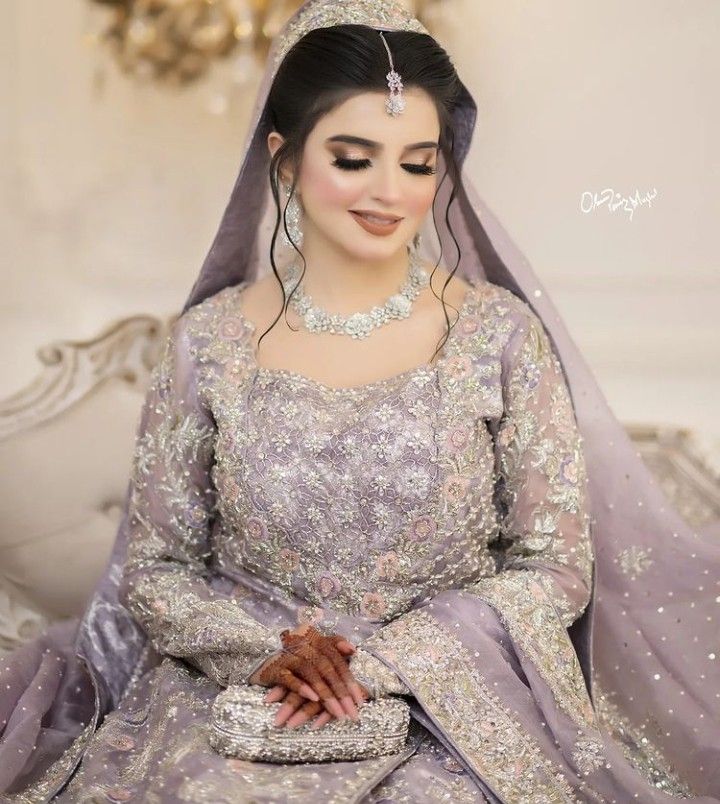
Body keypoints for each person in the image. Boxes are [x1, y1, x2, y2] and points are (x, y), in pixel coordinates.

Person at [1, 1, 718, 801]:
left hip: (451, 696)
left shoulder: (498, 336)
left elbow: (552, 566)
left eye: (418, 163)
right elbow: (159, 567)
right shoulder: (208, 344)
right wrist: (264, 652)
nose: (390, 192)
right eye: (353, 158)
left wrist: (390, 661)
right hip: (239, 697)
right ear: (284, 159)